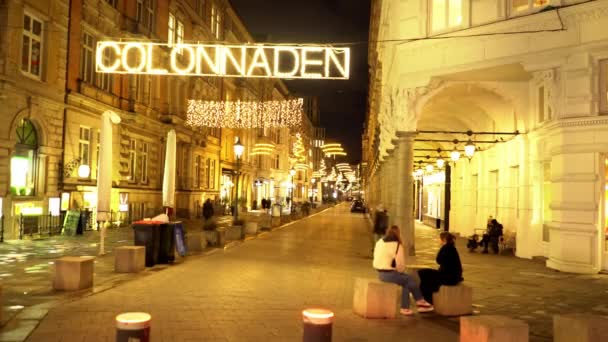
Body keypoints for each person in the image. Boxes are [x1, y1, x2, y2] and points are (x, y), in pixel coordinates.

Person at [373, 225, 434, 316]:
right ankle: (420, 301)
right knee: (409, 279)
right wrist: (400, 272)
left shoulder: (379, 242)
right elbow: (400, 265)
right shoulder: (397, 245)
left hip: (380, 273)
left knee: (406, 283)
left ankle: (406, 308)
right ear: (398, 233)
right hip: (390, 274)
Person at [417, 232, 464, 304]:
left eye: (440, 239)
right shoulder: (450, 247)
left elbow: (438, 260)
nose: (439, 241)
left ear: (444, 239)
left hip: (449, 277)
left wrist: (442, 247)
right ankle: (426, 299)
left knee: (424, 276)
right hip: (449, 275)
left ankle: (428, 300)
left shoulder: (447, 248)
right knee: (424, 274)